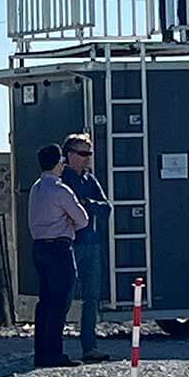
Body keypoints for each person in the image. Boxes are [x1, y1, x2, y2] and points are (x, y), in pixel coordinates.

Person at [28, 144, 88, 367]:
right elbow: (82, 219)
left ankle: (41, 352)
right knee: (60, 301)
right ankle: (54, 353)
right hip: (59, 248)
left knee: (45, 302)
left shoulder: (36, 188)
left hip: (39, 247)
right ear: (57, 163)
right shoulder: (60, 190)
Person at [61, 133, 112, 363]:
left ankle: (89, 347)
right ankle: (55, 346)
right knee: (64, 296)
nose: (87, 158)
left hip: (91, 244)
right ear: (70, 155)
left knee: (91, 297)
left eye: (89, 154)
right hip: (69, 244)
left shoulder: (90, 180)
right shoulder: (62, 179)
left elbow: (106, 208)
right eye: (83, 154)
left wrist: (87, 205)